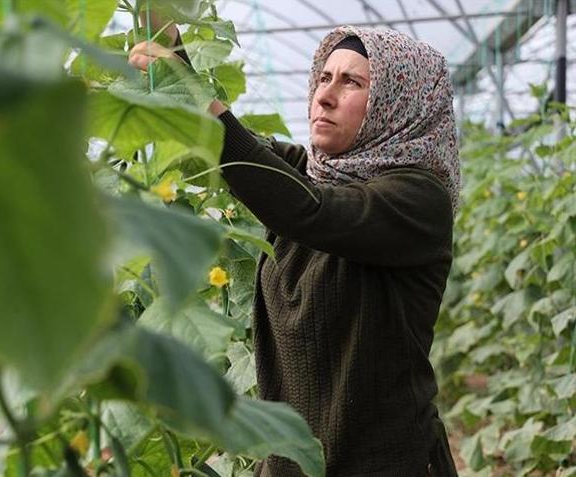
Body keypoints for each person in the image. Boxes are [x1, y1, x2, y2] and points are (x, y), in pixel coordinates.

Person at [128, 16, 461, 477]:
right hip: (291, 463)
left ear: (396, 103)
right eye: (323, 77)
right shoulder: (312, 173)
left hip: (384, 463)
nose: (324, 95)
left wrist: (203, 107)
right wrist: (172, 50)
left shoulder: (419, 200)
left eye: (352, 83)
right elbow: (246, 155)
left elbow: (306, 208)